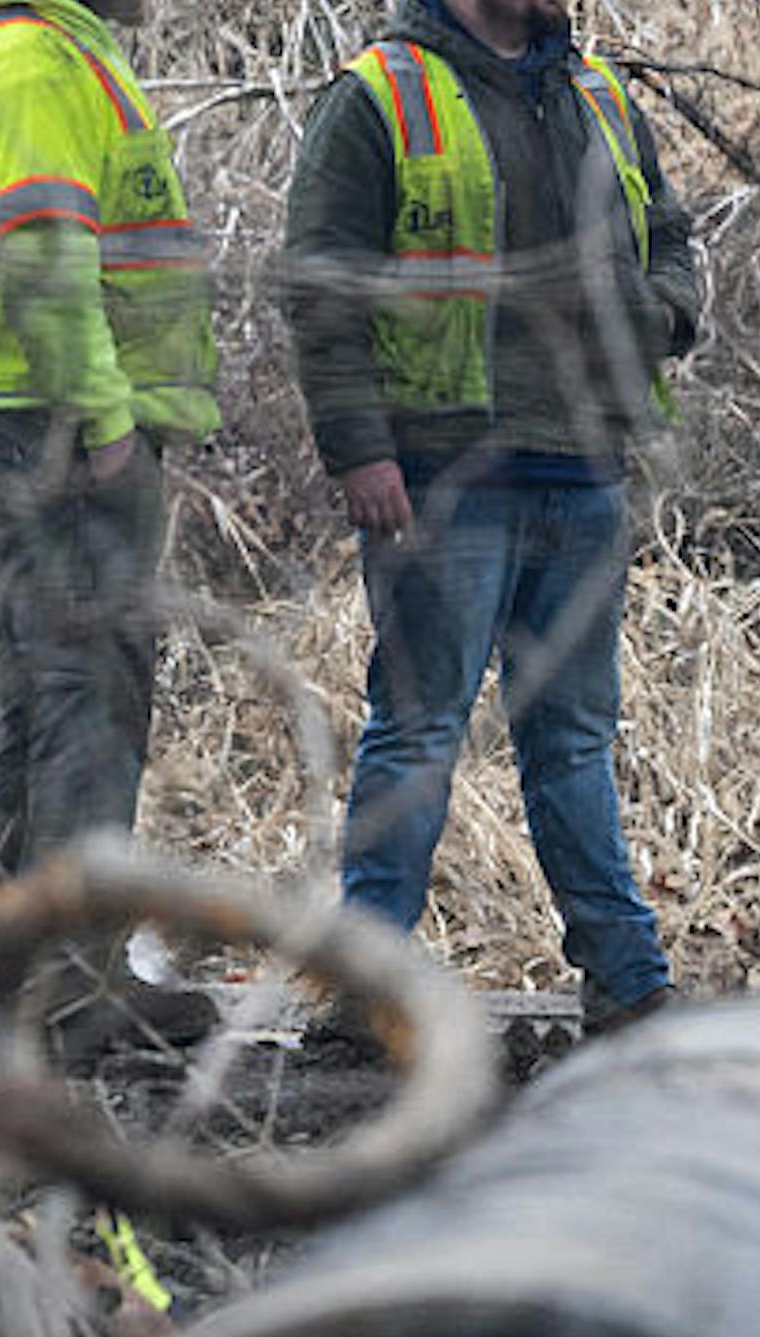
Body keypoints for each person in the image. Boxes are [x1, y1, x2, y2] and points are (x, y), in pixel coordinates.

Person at [278, 0, 701, 1035]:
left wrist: (664, 314)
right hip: (441, 473)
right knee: (420, 730)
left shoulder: (596, 90)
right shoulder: (378, 94)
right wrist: (361, 450)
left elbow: (672, 237)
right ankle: (368, 996)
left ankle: (628, 985)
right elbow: (322, 288)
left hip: (584, 463)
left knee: (573, 737)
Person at [0, 0, 221, 1044]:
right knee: (88, 693)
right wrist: (103, 418)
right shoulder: (31, 61)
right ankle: (74, 991)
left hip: (29, 420)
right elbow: (45, 262)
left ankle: (7, 982)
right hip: (45, 424)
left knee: (37, 696)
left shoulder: (62, 54)